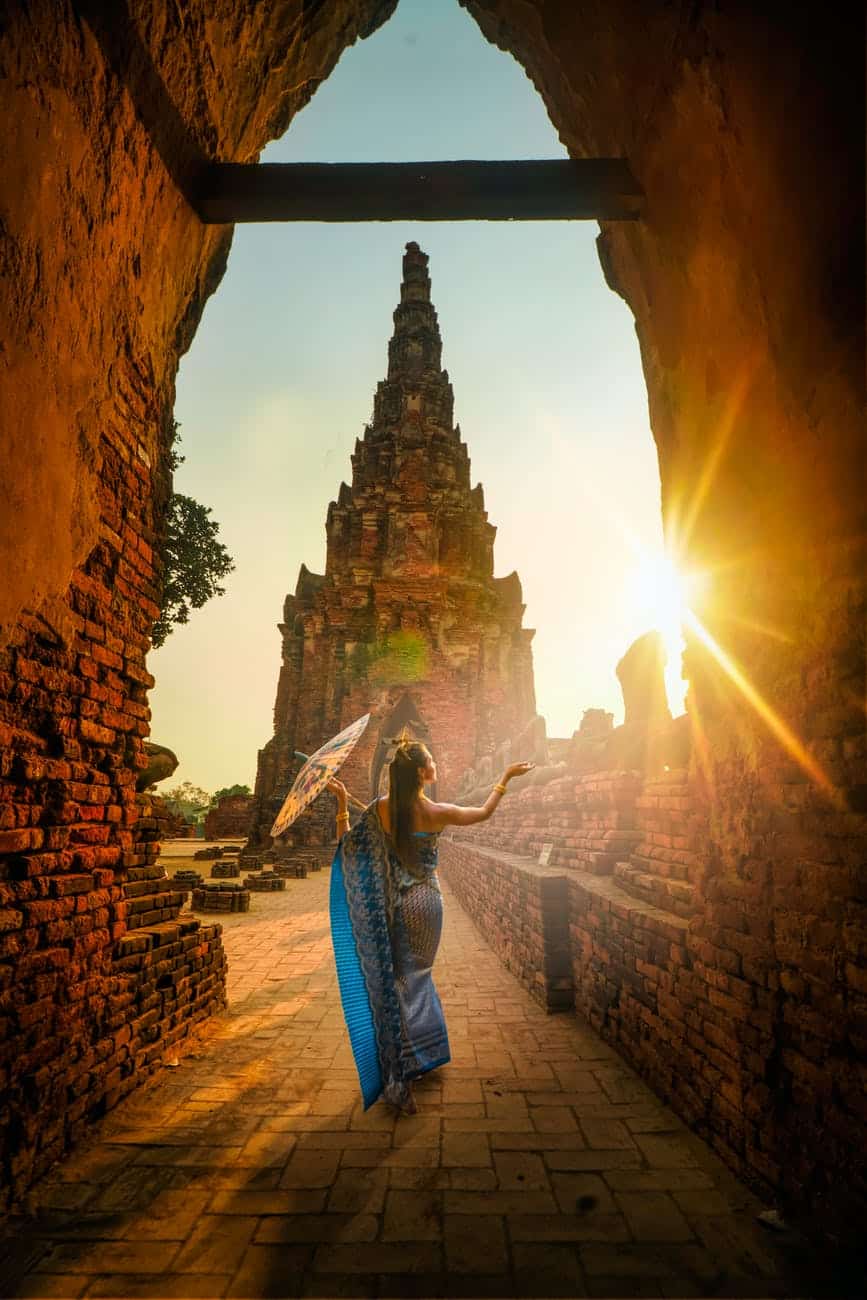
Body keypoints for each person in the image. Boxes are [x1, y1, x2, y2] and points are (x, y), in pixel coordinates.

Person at [327, 738, 534, 1114]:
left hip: (391, 906)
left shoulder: (378, 811)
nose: (436, 764)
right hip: (426, 905)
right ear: (423, 773)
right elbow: (483, 812)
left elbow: (347, 849)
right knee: (417, 976)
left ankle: (401, 1060)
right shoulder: (437, 811)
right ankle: (419, 1056)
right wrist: (504, 777)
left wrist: (342, 806)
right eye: (432, 761)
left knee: (393, 980)